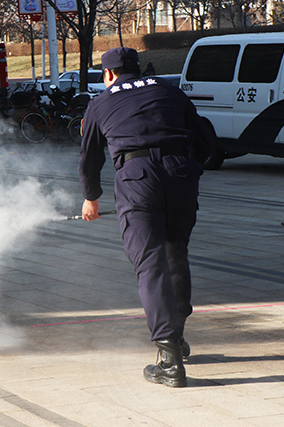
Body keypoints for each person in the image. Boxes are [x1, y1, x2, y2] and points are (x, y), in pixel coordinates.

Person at [78, 47, 214, 388]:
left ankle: (169, 363)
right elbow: (206, 140)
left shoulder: (100, 102)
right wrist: (191, 170)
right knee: (175, 254)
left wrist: (91, 199)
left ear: (108, 75)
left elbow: (90, 158)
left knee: (150, 265)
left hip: (138, 178)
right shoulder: (168, 89)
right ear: (137, 70)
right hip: (180, 174)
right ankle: (177, 342)